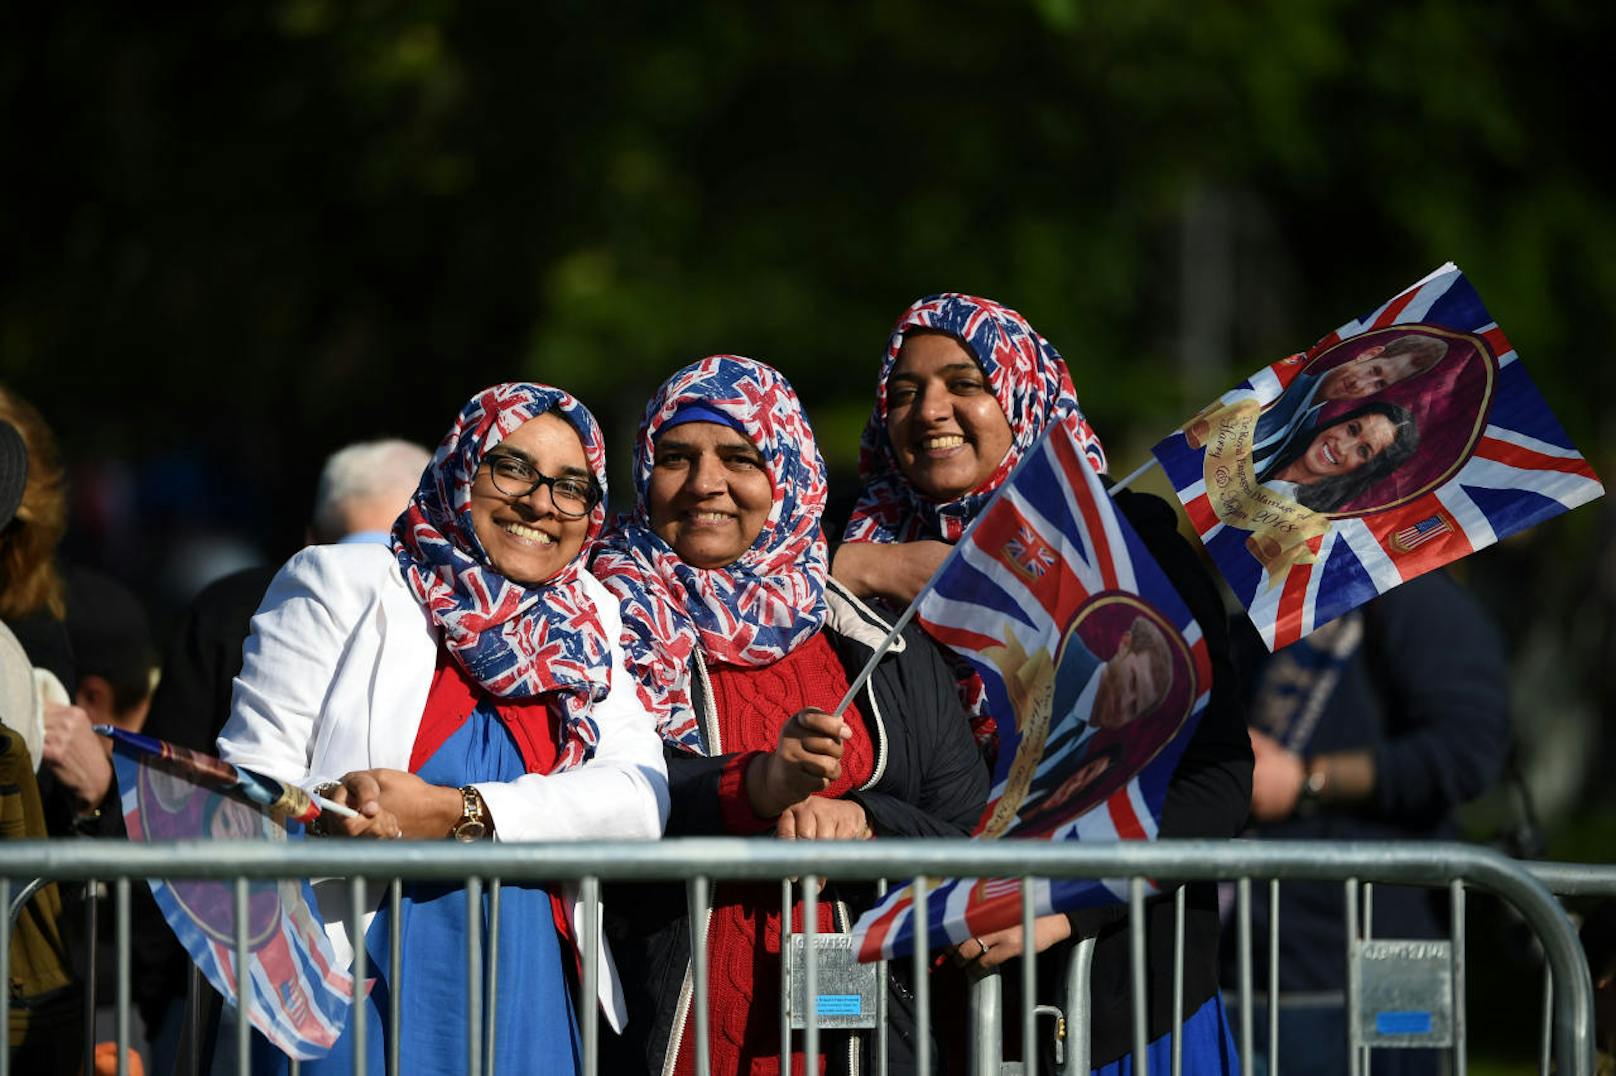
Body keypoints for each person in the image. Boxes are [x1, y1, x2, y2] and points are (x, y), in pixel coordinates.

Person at [836, 293, 1252, 1072]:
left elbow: (1217, 779)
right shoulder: (854, 545)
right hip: (917, 1015)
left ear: (1023, 392)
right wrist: (875, 566)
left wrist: (1065, 903)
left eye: (966, 383)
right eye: (903, 391)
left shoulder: (1127, 548)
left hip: (1111, 1002)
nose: (930, 410)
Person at [215, 384, 669, 1074]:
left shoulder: (590, 620)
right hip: (347, 970)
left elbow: (638, 801)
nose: (542, 502)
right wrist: (335, 808)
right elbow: (247, 779)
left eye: (573, 486)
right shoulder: (343, 582)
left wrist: (456, 814)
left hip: (527, 981)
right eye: (513, 467)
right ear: (460, 467)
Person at [591, 355, 989, 1075]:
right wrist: (758, 786)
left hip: (857, 1042)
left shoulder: (873, 640)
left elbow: (969, 832)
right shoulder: (593, 622)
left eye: (740, 458)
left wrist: (867, 822)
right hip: (660, 1039)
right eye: (676, 458)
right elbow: (590, 796)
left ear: (790, 475)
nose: (705, 483)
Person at [1226, 570, 1509, 1075]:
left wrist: (1306, 781)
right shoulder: (1272, 611)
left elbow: (1468, 752)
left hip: (1380, 958)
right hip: (1259, 960)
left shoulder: (1419, 603)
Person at [1254, 400, 1419, 513]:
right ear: (1341, 421)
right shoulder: (1268, 438)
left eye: (1363, 451)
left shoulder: (1305, 526)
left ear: (1365, 471)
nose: (1342, 447)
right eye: (1352, 430)